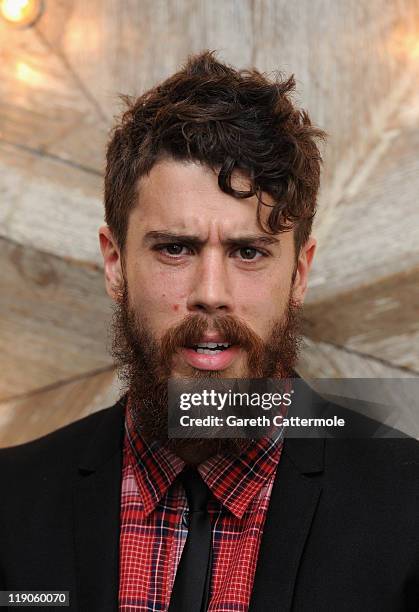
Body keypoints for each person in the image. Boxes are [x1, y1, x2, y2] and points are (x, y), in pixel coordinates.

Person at [0, 51, 418, 612]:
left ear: (299, 274)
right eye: (176, 248)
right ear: (115, 263)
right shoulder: (11, 501)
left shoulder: (409, 507)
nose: (211, 291)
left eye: (249, 251)